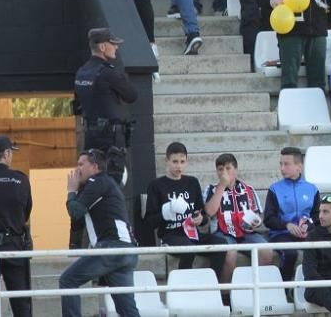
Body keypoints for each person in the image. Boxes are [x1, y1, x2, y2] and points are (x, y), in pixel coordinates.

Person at [60, 150, 138, 317]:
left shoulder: (97, 181)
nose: (77, 168)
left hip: (111, 248)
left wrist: (71, 191)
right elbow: (77, 224)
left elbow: (75, 212)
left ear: (95, 167)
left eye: (81, 164)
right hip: (126, 250)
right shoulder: (102, 184)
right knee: (127, 309)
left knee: (67, 280)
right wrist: (77, 193)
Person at [144, 142, 225, 273]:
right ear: (167, 161)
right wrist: (167, 212)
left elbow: (203, 215)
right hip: (170, 235)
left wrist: (200, 219)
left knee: (221, 245)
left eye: (182, 161)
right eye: (175, 161)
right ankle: (184, 286)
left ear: (187, 161)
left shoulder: (192, 182)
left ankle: (213, 284)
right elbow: (149, 221)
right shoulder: (156, 185)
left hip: (194, 234)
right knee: (189, 249)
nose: (179, 166)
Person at [73, 28, 136, 184]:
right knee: (113, 184)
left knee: (92, 181)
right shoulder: (109, 73)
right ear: (102, 47)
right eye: (113, 44)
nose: (116, 47)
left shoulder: (81, 72)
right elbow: (132, 96)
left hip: (89, 136)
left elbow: (77, 106)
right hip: (110, 139)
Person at [203, 153, 275, 283]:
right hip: (222, 232)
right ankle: (225, 295)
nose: (224, 172)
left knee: (266, 251)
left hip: (246, 233)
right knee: (230, 253)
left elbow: (258, 215)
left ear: (236, 170)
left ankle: (253, 288)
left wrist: (255, 222)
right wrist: (222, 186)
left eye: (228, 168)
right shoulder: (212, 189)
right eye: (220, 169)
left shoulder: (248, 189)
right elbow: (209, 211)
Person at [0, 135, 31, 317]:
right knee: (21, 304)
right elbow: (25, 213)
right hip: (14, 248)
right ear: (7, 153)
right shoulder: (20, 180)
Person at [264, 147, 319, 282]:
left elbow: (317, 216)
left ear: (299, 166)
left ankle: (313, 286)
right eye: (281, 164)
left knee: (320, 250)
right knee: (290, 253)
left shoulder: (312, 189)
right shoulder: (274, 189)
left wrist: (308, 225)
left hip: (305, 234)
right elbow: (268, 219)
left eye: (286, 164)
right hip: (281, 234)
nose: (282, 168)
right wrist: (287, 225)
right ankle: (285, 287)